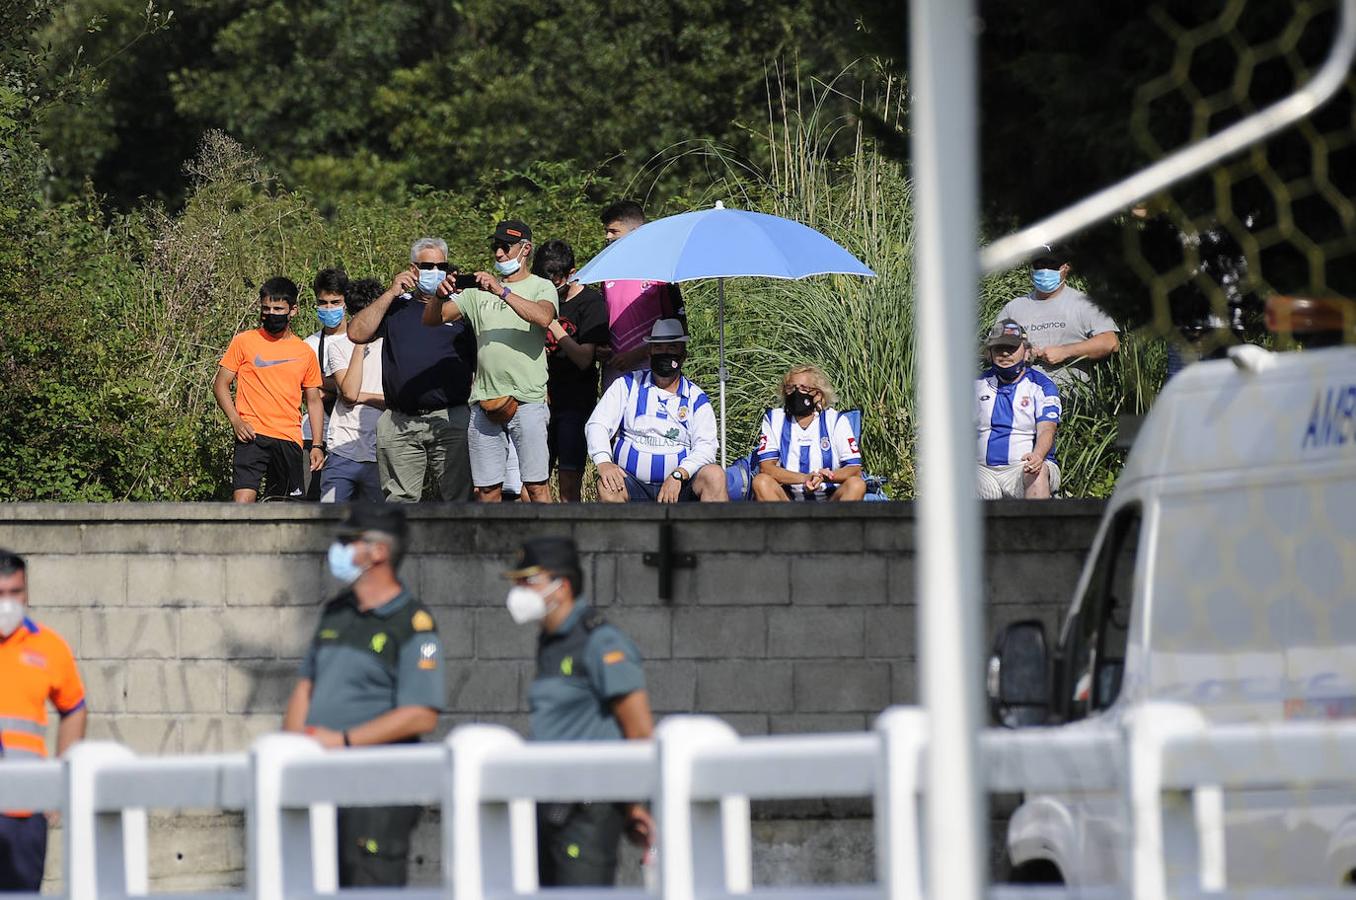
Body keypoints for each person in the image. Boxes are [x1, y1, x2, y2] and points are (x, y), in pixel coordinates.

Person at [283, 505, 443, 887]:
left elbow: (421, 714)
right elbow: (307, 685)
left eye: (348, 541)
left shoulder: (413, 623)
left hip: (377, 793)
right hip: (319, 784)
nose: (338, 550)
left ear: (378, 552)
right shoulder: (336, 612)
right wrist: (290, 753)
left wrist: (340, 742)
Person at [502, 537, 655, 886]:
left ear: (561, 586)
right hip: (550, 803)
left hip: (590, 810)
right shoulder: (551, 641)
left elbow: (639, 731)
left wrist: (637, 806)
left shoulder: (601, 642)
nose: (518, 590)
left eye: (529, 581)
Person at [422, 220, 557, 504]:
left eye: (505, 247)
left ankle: (549, 546)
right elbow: (431, 320)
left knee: (536, 488)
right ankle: (493, 548)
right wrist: (438, 295)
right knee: (486, 491)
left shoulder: (541, 286)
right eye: (495, 247)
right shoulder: (475, 292)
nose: (498, 254)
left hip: (528, 400)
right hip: (485, 402)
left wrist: (502, 291)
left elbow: (544, 318)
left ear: (526, 249)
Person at [346, 238, 476, 503]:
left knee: (458, 500)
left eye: (441, 265)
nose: (436, 271)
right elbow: (357, 333)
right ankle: (400, 546)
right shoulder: (396, 305)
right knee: (399, 502)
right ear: (413, 269)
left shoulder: (462, 307)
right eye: (428, 266)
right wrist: (391, 292)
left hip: (451, 418)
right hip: (400, 421)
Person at [0, 550, 87, 892]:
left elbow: (74, 708)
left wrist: (59, 781)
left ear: (27, 593)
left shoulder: (49, 647)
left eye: (15, 592)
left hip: (26, 811)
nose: (7, 602)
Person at [585, 319, 727, 502]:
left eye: (671, 348)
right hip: (631, 483)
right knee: (607, 487)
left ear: (683, 355)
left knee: (715, 476)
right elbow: (597, 424)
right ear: (650, 352)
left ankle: (710, 531)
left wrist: (679, 474)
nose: (664, 353)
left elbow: (706, 447)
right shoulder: (627, 385)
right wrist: (603, 462)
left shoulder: (696, 398)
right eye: (658, 347)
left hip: (681, 486)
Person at [213, 277, 326, 503]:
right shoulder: (244, 341)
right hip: (252, 435)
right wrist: (236, 420)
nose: (271, 313)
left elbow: (313, 401)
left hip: (288, 439)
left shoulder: (304, 352)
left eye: (278, 309)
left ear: (293, 310)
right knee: (242, 503)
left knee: (283, 508)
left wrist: (316, 444)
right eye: (266, 308)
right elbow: (220, 384)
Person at [534, 239, 609, 502]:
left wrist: (551, 323)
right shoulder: (536, 297)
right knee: (531, 482)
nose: (549, 289)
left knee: (568, 485)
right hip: (536, 402)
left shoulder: (591, 303)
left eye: (554, 283)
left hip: (574, 405)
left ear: (572, 273)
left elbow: (583, 359)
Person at [993, 244, 1119, 385]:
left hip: (1070, 398)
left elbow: (1110, 342)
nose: (1045, 270)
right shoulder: (1013, 307)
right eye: (1039, 264)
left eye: (1052, 264)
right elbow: (992, 348)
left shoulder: (1086, 304)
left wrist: (1065, 351)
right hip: (1021, 397)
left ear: (1066, 267)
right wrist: (1020, 351)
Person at [597, 200, 685, 390]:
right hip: (614, 372)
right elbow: (604, 317)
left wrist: (638, 354)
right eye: (606, 231)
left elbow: (678, 328)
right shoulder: (605, 270)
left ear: (636, 231)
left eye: (614, 231)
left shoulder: (660, 271)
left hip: (652, 369)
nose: (607, 236)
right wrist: (600, 347)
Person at [751, 365, 867, 502]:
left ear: (818, 394)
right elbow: (766, 468)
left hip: (831, 500)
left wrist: (826, 476)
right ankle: (785, 523)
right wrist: (804, 478)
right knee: (761, 482)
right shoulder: (774, 419)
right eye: (791, 388)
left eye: (803, 388)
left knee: (856, 484)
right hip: (787, 500)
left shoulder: (836, 420)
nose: (796, 393)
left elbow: (854, 469)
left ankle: (835, 523)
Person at [975, 319, 1062, 499]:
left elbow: (1047, 428)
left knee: (1036, 473)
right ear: (990, 353)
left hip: (1024, 468)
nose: (1005, 353)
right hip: (982, 471)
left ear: (1026, 352)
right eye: (999, 348)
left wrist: (1038, 456)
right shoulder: (975, 385)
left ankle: (1038, 527)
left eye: (1012, 348)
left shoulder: (1042, 386)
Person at [319, 278, 386, 503]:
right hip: (341, 452)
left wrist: (363, 397)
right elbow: (348, 392)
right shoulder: (338, 347)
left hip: (379, 455)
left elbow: (396, 400)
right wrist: (359, 342)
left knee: (375, 528)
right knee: (328, 518)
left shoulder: (392, 348)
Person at [301, 268, 350, 500]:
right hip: (313, 434)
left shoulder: (361, 339)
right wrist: (341, 386)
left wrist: (323, 384)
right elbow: (308, 393)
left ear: (346, 301)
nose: (329, 308)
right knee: (309, 500)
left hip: (351, 436)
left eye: (335, 302)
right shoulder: (308, 345)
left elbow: (357, 388)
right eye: (323, 303)